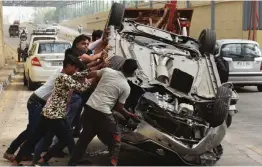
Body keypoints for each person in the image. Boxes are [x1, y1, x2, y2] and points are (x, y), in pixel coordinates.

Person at [11, 53, 91, 166]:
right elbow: (82, 87)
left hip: (49, 113)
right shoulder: (64, 78)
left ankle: (19, 160)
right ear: (68, 66)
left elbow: (77, 75)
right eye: (75, 68)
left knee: (35, 138)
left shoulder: (62, 75)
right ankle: (47, 160)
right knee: (66, 138)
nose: (76, 70)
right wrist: (90, 80)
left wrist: (87, 71)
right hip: (55, 115)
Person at [68, 59, 140, 166]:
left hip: (89, 108)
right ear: (133, 73)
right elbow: (119, 107)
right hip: (103, 115)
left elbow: (88, 75)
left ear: (122, 65)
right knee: (116, 141)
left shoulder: (107, 71)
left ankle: (73, 162)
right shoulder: (126, 87)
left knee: (84, 138)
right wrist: (129, 115)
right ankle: (112, 164)